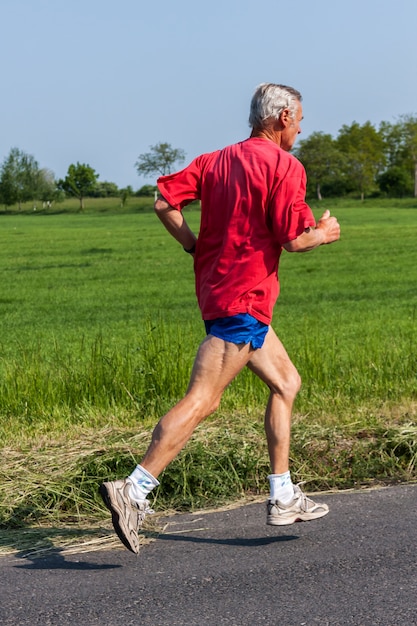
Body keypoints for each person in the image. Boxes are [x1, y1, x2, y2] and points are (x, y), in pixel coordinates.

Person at [99, 82, 341, 554]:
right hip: (245, 300)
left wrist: (193, 245)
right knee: (203, 400)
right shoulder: (285, 165)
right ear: (284, 115)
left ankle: (282, 494)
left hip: (222, 295)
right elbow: (295, 238)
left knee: (286, 383)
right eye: (301, 119)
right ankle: (133, 490)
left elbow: (164, 204)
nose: (301, 128)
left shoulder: (214, 161)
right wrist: (327, 233)